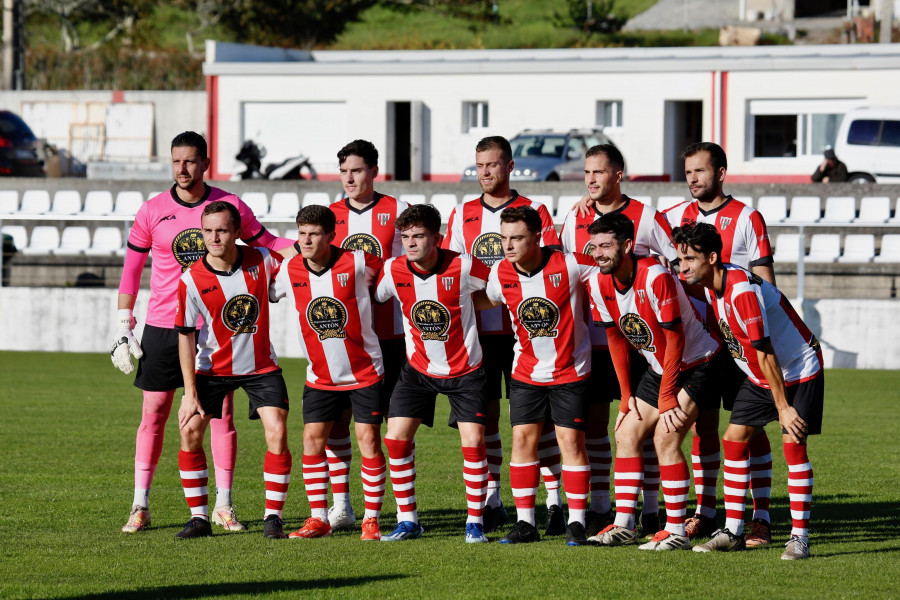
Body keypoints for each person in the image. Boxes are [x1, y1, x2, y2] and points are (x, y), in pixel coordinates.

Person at [111, 131, 293, 534]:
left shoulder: (227, 207)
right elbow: (131, 269)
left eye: (190, 161)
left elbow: (268, 242)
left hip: (216, 330)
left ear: (205, 163)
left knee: (220, 417)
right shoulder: (152, 210)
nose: (182, 169)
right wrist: (125, 325)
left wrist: (310, 248)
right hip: (163, 327)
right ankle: (140, 504)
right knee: (154, 416)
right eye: (176, 161)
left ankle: (223, 506)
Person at [674, 222, 823, 560]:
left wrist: (783, 407)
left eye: (690, 258)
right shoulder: (712, 283)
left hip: (798, 370)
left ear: (712, 258)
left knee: (794, 446)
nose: (683, 266)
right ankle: (734, 531)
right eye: (680, 258)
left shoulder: (741, 289)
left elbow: (766, 350)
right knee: (733, 440)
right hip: (760, 375)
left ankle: (799, 538)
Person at [442, 135, 563, 534]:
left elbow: (551, 269)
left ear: (510, 167)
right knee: (488, 418)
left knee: (536, 422)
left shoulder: (535, 210)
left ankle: (554, 501)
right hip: (479, 335)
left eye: (492, 164)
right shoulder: (461, 214)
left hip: (529, 333)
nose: (485, 172)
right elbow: (452, 274)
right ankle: (492, 499)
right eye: (479, 166)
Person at [581, 213, 722, 551]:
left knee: (665, 437)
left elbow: (675, 339)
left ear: (628, 245)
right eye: (595, 246)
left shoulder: (655, 277)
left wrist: (667, 395)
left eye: (606, 246)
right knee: (626, 432)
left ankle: (675, 530)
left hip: (698, 364)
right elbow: (616, 338)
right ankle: (624, 525)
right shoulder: (598, 283)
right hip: (660, 368)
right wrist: (627, 395)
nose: (598, 253)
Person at [561, 143, 679, 539]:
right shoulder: (574, 218)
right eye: (587, 173)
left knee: (645, 429)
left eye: (599, 172)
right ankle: (600, 506)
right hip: (592, 340)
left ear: (618, 176)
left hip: (646, 344)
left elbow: (675, 263)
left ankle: (650, 511)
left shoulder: (645, 216)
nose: (591, 179)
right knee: (598, 427)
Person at [665, 141, 776, 545]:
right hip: (701, 346)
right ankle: (706, 511)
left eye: (701, 171)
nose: (693, 178)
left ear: (721, 173)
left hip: (740, 343)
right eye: (688, 171)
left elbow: (766, 282)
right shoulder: (675, 217)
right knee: (703, 426)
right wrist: (586, 211)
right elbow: (635, 235)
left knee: (753, 429)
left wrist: (762, 336)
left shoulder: (748, 217)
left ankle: (760, 515)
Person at [478, 205, 602, 547]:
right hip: (525, 372)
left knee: (570, 443)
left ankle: (576, 521)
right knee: (522, 443)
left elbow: (611, 267)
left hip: (570, 372)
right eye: (503, 238)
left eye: (516, 237)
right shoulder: (500, 273)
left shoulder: (571, 264)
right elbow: (487, 300)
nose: (508, 245)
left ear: (537, 236)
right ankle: (525, 523)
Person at [173, 201, 291, 539]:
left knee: (277, 431)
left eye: (222, 230)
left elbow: (297, 269)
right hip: (212, 369)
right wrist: (189, 393)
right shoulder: (191, 279)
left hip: (261, 367)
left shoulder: (263, 260)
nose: (214, 237)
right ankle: (198, 518)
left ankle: (273, 517)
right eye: (208, 231)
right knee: (189, 432)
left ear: (237, 232)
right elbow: (185, 336)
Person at [374, 203, 491, 543]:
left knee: (473, 443)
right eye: (405, 237)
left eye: (418, 236)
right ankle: (408, 521)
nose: (410, 243)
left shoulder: (464, 265)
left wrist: (467, 303)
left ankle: (475, 523)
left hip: (465, 369)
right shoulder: (393, 269)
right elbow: (378, 297)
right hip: (418, 370)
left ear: (437, 238)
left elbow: (499, 291)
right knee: (395, 439)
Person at [270, 205, 387, 541]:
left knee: (368, 441)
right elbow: (265, 294)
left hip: (365, 371)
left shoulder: (359, 262)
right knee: (312, 441)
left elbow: (396, 277)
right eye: (302, 233)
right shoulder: (290, 268)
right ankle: (319, 517)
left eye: (315, 234)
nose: (306, 240)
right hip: (320, 376)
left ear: (331, 236)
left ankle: (371, 519)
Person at [322, 140, 408, 532]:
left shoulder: (397, 211)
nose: (350, 178)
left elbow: (412, 262)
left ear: (374, 170)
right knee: (340, 423)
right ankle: (342, 505)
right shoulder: (330, 216)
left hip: (390, 336)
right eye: (344, 171)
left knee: (393, 428)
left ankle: (403, 510)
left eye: (357, 170)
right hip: (344, 337)